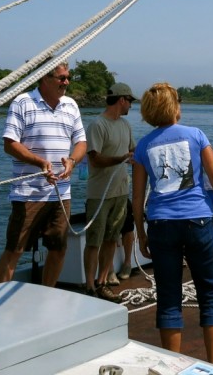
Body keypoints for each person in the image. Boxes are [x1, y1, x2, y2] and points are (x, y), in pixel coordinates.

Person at [132, 82, 213, 366]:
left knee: (168, 298)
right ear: (175, 107)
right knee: (210, 295)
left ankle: (174, 366)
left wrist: (141, 234)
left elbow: (138, 196)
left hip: (161, 225)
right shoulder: (196, 135)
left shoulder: (143, 146)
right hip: (199, 221)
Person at [0, 62, 86, 287]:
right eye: (61, 78)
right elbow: (10, 144)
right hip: (28, 194)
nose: (66, 82)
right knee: (14, 249)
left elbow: (81, 142)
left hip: (61, 194)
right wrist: (39, 162)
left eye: (68, 77)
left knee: (58, 248)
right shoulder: (22, 103)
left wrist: (72, 160)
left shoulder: (71, 105)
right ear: (44, 78)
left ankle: (47, 294)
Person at [82, 82, 135, 301]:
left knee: (112, 239)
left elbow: (132, 150)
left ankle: (102, 282)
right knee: (94, 241)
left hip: (121, 192)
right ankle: (89, 285)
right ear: (122, 100)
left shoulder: (125, 125)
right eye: (130, 101)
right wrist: (120, 159)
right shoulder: (97, 125)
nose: (131, 106)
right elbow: (94, 158)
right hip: (99, 194)